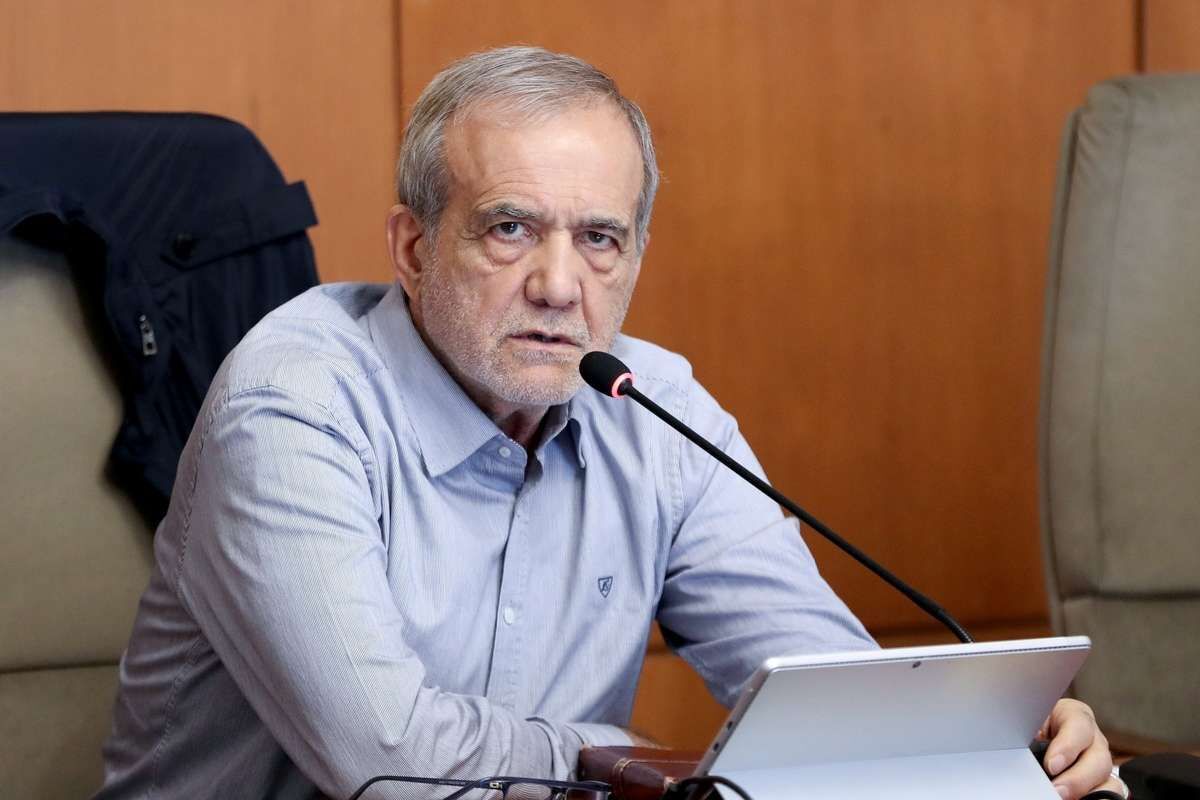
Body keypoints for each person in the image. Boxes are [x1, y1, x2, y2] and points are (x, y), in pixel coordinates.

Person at [94, 47, 1122, 800]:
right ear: (411, 249)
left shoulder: (655, 407)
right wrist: (616, 759)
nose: (559, 285)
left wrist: (990, 739)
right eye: (510, 228)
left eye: (599, 239)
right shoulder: (295, 407)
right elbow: (390, 765)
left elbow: (837, 706)